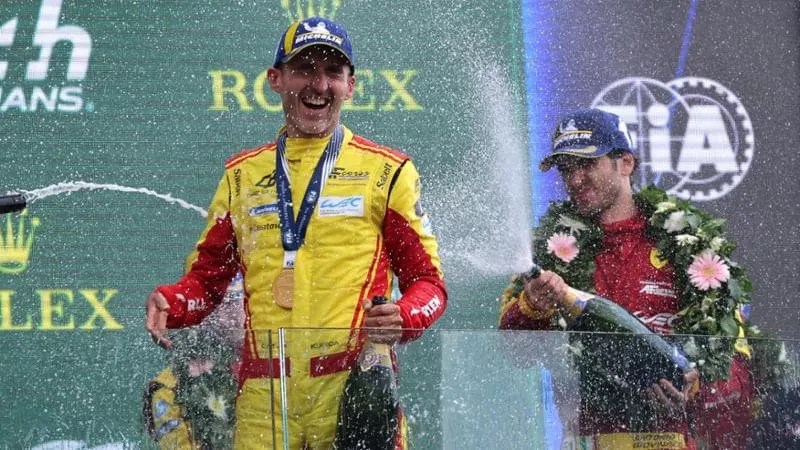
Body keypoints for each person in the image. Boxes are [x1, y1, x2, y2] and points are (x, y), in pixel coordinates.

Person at [145, 16, 447, 450]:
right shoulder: (241, 176)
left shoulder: (387, 171)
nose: (318, 85)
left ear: (350, 86)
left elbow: (429, 283)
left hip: (351, 386)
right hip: (264, 398)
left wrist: (404, 315)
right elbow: (206, 283)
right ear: (276, 79)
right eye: (305, 69)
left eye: (333, 72)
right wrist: (171, 301)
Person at [498, 108, 755, 449]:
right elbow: (515, 352)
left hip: (669, 442)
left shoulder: (691, 247)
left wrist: (696, 385)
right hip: (587, 442)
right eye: (566, 169)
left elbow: (735, 365)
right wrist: (532, 305)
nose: (575, 180)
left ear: (626, 163)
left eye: (587, 165)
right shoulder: (549, 251)